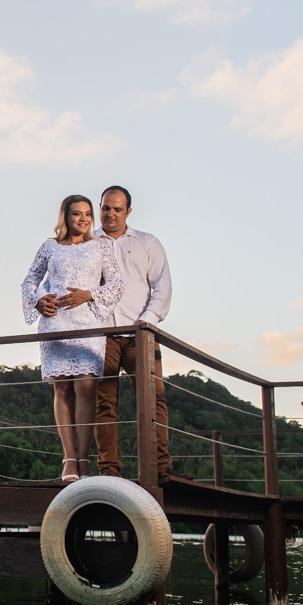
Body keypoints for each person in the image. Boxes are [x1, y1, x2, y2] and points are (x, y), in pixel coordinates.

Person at [21, 195, 124, 482]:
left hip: (89, 322)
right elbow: (29, 281)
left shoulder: (101, 247)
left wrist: (89, 294)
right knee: (62, 389)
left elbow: (117, 285)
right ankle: (68, 459)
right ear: (65, 217)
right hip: (56, 324)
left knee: (87, 388)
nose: (83, 219)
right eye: (77, 214)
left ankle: (84, 457)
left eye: (88, 214)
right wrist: (40, 301)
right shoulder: (49, 246)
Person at [90, 185, 180, 481]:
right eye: (106, 208)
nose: (111, 214)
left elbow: (162, 288)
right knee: (103, 402)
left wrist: (146, 322)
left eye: (117, 209)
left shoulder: (147, 243)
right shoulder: (87, 243)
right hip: (101, 335)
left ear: (128, 211)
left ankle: (160, 467)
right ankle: (109, 470)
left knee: (153, 399)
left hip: (140, 333)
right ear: (99, 207)